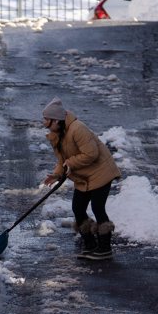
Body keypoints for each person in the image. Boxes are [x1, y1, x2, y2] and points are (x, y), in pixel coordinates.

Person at [42, 97, 121, 260]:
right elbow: (62, 160)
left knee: (98, 207)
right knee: (78, 208)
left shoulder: (78, 129)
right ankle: (90, 245)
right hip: (84, 177)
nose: (44, 123)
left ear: (56, 120)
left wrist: (70, 162)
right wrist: (56, 174)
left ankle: (105, 248)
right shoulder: (57, 134)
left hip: (101, 172)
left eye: (47, 120)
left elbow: (91, 154)